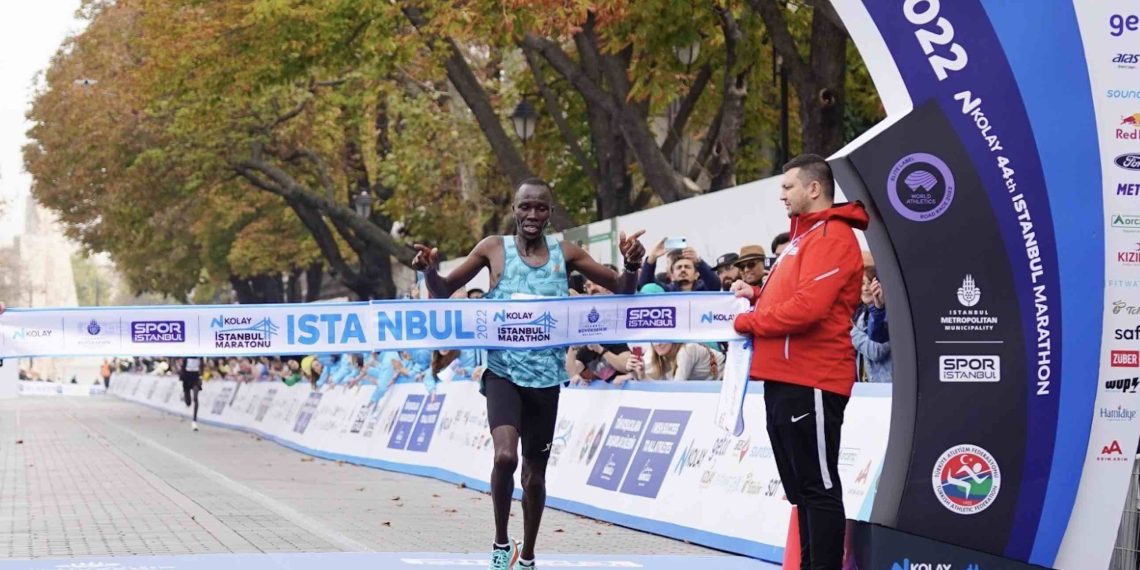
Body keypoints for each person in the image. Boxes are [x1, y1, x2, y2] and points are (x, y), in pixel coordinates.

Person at [412, 178, 646, 570]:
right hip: (503, 371)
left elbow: (623, 289)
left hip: (546, 378)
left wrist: (633, 264)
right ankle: (502, 545)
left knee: (534, 477)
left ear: (550, 213)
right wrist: (429, 271)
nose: (532, 215)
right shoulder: (492, 248)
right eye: (525, 207)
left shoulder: (565, 252)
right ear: (514, 209)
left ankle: (530, 555)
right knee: (505, 457)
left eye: (541, 208)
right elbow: (443, 288)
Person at [731, 154, 868, 570]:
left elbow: (809, 308)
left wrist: (747, 321)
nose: (781, 195)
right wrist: (754, 296)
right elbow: (789, 297)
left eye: (788, 186)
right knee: (802, 490)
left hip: (813, 379)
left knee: (818, 488)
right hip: (783, 379)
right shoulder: (802, 238)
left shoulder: (833, 236)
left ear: (814, 188)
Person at [626, 342, 724, 381]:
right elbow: (652, 386)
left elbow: (675, 391)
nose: (658, 343)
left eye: (663, 337)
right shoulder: (655, 352)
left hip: (725, 378)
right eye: (654, 338)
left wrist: (642, 376)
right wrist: (635, 372)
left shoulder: (686, 351)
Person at [180, 356, 204, 431]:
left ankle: (194, 421)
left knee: (195, 398)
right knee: (188, 403)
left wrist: (201, 376)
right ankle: (185, 395)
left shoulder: (200, 355)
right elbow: (183, 365)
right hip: (187, 376)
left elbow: (202, 365)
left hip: (196, 377)